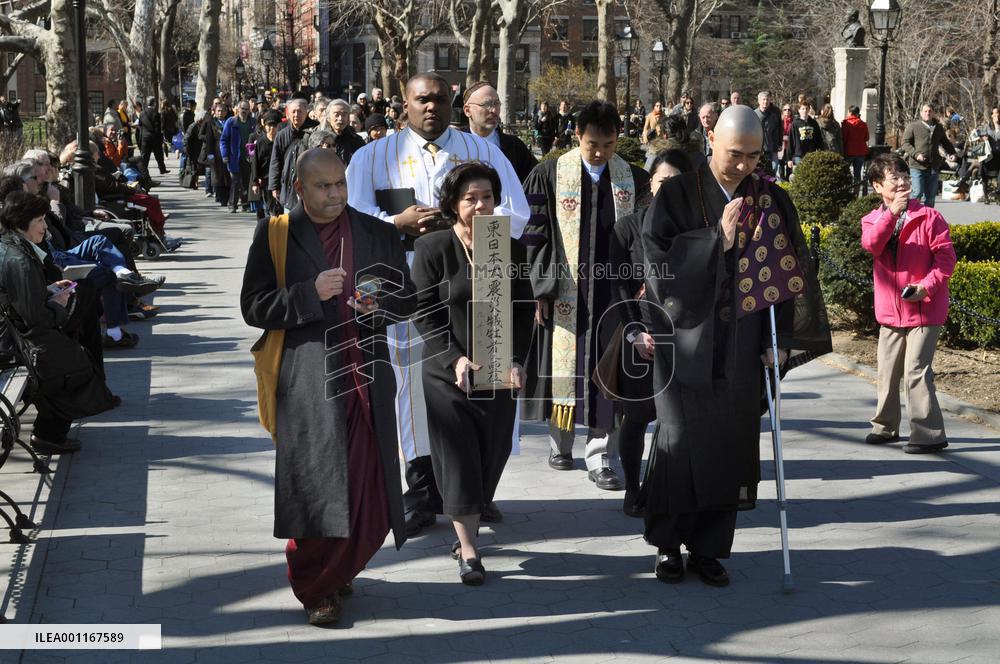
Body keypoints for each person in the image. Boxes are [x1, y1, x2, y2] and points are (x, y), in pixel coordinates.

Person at [640, 105, 830, 586]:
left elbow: (790, 272)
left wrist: (783, 340)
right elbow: (657, 263)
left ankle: (710, 547)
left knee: (731, 441)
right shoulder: (677, 193)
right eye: (734, 155)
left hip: (743, 339)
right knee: (678, 439)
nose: (744, 166)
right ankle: (668, 544)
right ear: (710, 139)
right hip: (684, 340)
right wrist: (714, 239)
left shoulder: (770, 197)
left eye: (753, 156)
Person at [346, 72, 530, 536]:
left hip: (477, 279)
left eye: (441, 100)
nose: (432, 108)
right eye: (421, 100)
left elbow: (518, 213)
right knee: (412, 385)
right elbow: (348, 214)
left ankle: (478, 490)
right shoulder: (374, 157)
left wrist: (470, 226)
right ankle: (423, 488)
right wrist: (395, 222)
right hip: (408, 285)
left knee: (485, 380)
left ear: (455, 104)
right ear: (403, 104)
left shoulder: (483, 151)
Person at [241, 148, 416, 625]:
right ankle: (316, 588)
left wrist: (377, 304)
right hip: (308, 382)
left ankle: (343, 566)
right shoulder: (276, 234)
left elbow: (407, 300)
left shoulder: (378, 232)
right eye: (323, 186)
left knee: (368, 488)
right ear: (300, 188)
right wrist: (308, 294)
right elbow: (253, 306)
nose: (336, 193)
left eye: (340, 183)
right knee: (314, 486)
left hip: (365, 377)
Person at [410, 163, 533, 585]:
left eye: (486, 197)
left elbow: (522, 309)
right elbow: (424, 313)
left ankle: (471, 517)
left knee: (489, 456)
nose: (480, 205)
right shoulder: (433, 249)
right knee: (460, 459)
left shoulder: (508, 248)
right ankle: (468, 549)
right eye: (470, 198)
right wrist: (455, 359)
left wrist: (517, 359)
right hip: (449, 374)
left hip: (497, 373)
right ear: (452, 204)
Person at [521, 100, 651, 490]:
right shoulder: (548, 175)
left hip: (613, 290)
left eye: (609, 144)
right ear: (577, 136)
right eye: (593, 143)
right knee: (565, 367)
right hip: (565, 289)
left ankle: (600, 456)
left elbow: (644, 234)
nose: (600, 152)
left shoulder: (633, 179)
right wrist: (541, 290)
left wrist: (642, 279)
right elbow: (535, 236)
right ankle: (560, 443)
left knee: (605, 370)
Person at [0, 191, 117, 455]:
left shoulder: (13, 246)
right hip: (15, 340)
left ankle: (50, 432)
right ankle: (48, 434)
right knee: (74, 360)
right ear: (21, 224)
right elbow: (35, 318)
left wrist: (51, 290)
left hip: (18, 332)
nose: (45, 227)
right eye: (40, 221)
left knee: (84, 300)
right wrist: (59, 306)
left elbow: (24, 301)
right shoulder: (19, 259)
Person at [610, 148, 693, 517]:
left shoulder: (698, 230)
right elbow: (616, 286)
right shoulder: (628, 227)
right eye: (662, 181)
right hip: (640, 335)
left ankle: (670, 488)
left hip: (687, 336)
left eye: (677, 183)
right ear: (650, 184)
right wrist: (634, 332)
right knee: (639, 415)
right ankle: (633, 487)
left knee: (681, 421)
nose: (669, 189)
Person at [861, 153, 955, 454]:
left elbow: (946, 260)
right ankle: (885, 427)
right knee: (887, 371)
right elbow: (873, 245)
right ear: (878, 187)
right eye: (894, 179)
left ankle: (928, 434)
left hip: (925, 309)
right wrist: (891, 214)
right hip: (890, 311)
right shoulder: (872, 219)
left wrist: (925, 288)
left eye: (904, 176)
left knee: (916, 370)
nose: (902, 183)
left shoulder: (930, 217)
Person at [463, 81, 538, 182]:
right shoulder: (456, 145)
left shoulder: (515, 147)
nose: (493, 110)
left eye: (496, 103)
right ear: (467, 110)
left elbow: (534, 183)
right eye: (486, 104)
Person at [901, 104, 957, 207]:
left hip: (933, 167)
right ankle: (912, 217)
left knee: (931, 196)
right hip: (917, 166)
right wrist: (916, 154)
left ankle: (928, 219)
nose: (928, 113)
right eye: (925, 111)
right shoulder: (913, 126)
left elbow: (945, 142)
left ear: (933, 113)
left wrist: (952, 153)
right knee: (917, 193)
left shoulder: (938, 127)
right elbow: (905, 143)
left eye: (930, 111)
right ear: (921, 113)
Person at [268, 98, 318, 212]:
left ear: (306, 112)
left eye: (300, 111)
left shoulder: (315, 131)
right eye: (293, 112)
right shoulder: (282, 135)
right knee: (290, 223)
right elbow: (275, 161)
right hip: (289, 186)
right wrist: (274, 186)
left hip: (310, 185)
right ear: (288, 114)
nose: (296, 115)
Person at [319, 100, 366, 165]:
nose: (340, 118)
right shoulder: (319, 139)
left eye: (344, 115)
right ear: (328, 117)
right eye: (336, 115)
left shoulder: (357, 140)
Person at [200, 102, 229, 207]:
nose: (220, 113)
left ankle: (227, 196)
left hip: (227, 152)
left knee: (227, 175)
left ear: (226, 112)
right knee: (217, 176)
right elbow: (209, 140)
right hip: (216, 152)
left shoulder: (229, 122)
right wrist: (209, 154)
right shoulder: (211, 123)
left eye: (222, 111)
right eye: (218, 111)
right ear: (215, 112)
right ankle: (220, 196)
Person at [787, 102, 823, 175]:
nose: (805, 111)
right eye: (802, 109)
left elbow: (819, 140)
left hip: (811, 155)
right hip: (798, 155)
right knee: (798, 176)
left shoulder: (814, 123)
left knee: (810, 176)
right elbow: (790, 141)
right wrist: (789, 159)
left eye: (806, 109)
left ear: (809, 110)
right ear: (799, 110)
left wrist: (821, 153)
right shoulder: (795, 124)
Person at [842, 105, 870, 193]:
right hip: (860, 152)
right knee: (857, 174)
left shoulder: (846, 123)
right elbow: (867, 138)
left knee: (845, 172)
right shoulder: (863, 124)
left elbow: (843, 138)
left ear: (850, 112)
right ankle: (856, 193)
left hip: (849, 151)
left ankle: (846, 191)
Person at [138, 96, 168, 176]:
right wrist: (160, 138)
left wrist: (140, 139)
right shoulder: (156, 114)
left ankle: (143, 171)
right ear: (154, 103)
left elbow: (140, 126)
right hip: (154, 137)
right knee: (158, 154)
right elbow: (157, 128)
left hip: (145, 137)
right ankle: (162, 169)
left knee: (145, 156)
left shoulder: (142, 113)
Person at [755, 91, 783, 177]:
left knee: (774, 169)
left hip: (772, 147)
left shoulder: (775, 113)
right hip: (759, 149)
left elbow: (779, 128)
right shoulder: (754, 114)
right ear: (759, 101)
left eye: (767, 99)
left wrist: (779, 143)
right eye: (763, 99)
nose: (765, 102)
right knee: (759, 172)